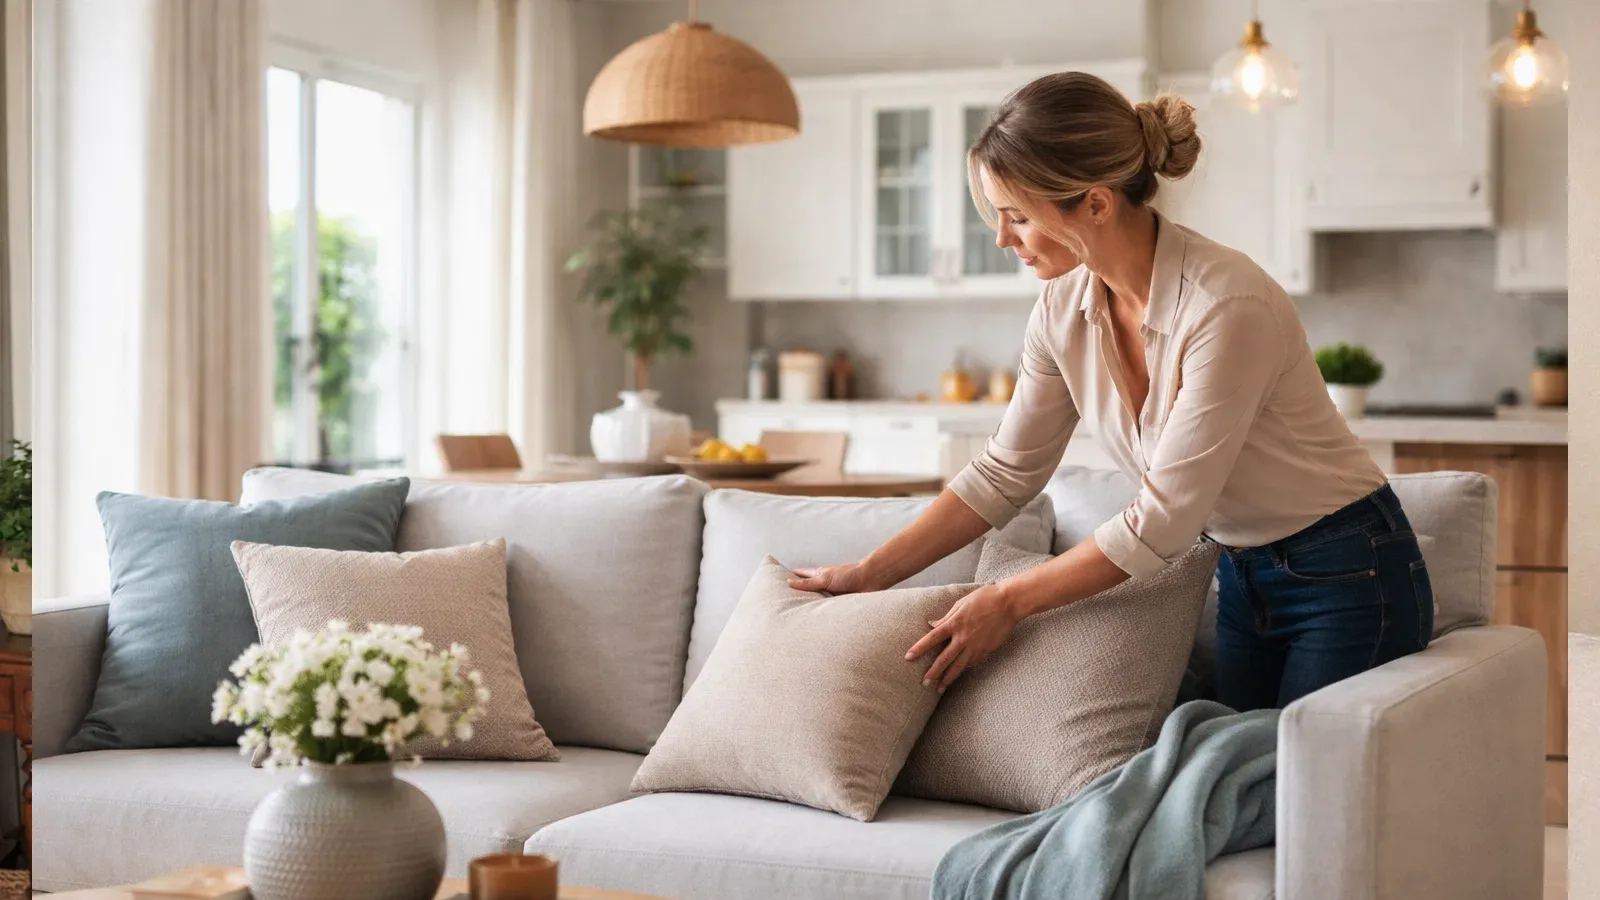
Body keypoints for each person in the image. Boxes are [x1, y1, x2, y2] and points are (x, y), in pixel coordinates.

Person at [788, 71, 1434, 713]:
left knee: (1309, 795)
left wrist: (1008, 602)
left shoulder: (1224, 305)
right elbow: (1003, 472)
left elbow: (1163, 521)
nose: (1002, 239)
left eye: (1018, 216)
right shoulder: (1061, 307)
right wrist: (868, 574)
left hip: (1349, 572)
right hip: (1240, 572)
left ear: (1095, 204)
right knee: (1247, 795)